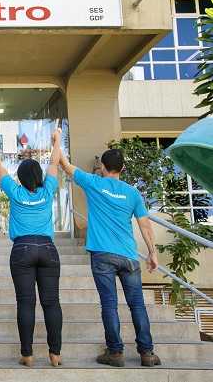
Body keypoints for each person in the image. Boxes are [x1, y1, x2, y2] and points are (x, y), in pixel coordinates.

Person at [57, 147, 161, 367]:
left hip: (102, 254)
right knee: (138, 305)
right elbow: (145, 225)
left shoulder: (94, 183)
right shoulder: (133, 193)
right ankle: (147, 353)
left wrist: (57, 140)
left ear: (102, 167)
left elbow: (65, 166)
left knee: (109, 304)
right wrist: (152, 253)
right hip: (129, 256)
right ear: (123, 167)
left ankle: (115, 353)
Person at [0, 128, 63, 367]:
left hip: (22, 249)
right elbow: (54, 163)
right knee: (51, 302)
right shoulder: (48, 190)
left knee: (25, 302)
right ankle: (55, 354)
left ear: (20, 176)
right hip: (48, 248)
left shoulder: (15, 191)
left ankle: (27, 354)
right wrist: (57, 140)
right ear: (39, 176)